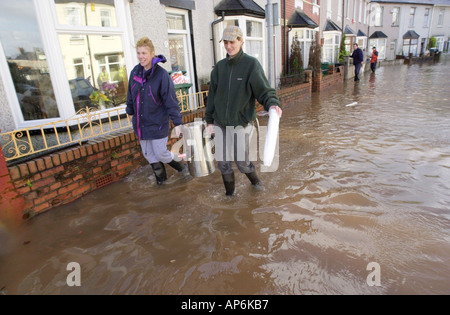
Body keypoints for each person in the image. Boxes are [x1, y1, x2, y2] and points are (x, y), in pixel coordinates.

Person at [205, 25, 282, 196]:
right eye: (225, 42)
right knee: (223, 163)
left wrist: (272, 104)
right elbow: (212, 97)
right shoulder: (219, 68)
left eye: (232, 42)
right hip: (220, 123)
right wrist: (209, 121)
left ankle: (256, 183)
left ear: (241, 41)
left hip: (241, 122)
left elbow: (264, 91)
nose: (228, 46)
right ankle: (229, 195)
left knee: (241, 162)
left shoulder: (251, 65)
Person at [126, 37, 190, 185]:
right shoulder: (135, 72)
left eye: (144, 53)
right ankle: (161, 182)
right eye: (139, 53)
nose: (141, 56)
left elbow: (170, 101)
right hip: (141, 122)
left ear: (152, 54)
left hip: (157, 121)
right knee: (148, 154)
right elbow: (130, 94)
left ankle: (182, 167)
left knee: (160, 152)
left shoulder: (161, 75)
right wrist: (130, 111)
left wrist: (178, 123)